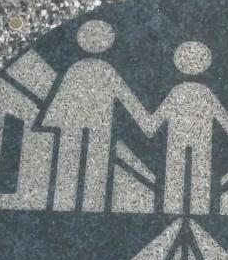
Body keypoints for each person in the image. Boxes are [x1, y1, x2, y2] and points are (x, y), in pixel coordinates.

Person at [40, 20, 151, 212]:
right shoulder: (99, 70)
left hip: (84, 122)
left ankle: (71, 200)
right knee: (87, 157)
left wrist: (51, 119)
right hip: (90, 123)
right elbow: (125, 98)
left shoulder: (84, 69)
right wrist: (145, 121)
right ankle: (88, 201)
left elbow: (123, 96)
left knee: (83, 157)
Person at [143, 41, 228, 215]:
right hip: (198, 137)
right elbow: (223, 118)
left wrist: (148, 123)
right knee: (197, 171)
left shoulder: (179, 91)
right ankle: (198, 209)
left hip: (180, 136)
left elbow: (156, 120)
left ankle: (174, 208)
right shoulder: (203, 92)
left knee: (178, 169)